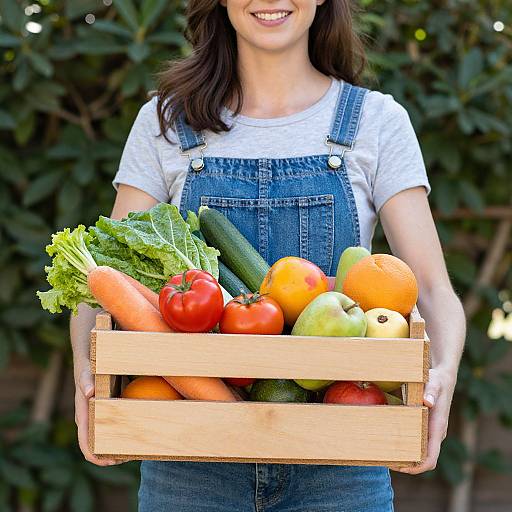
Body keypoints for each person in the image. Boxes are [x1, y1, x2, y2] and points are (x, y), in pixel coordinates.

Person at [70, 0, 466, 510]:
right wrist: (86, 368)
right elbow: (104, 274)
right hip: (188, 459)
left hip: (340, 459)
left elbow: (433, 288)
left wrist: (443, 377)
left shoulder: (375, 122)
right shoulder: (167, 122)